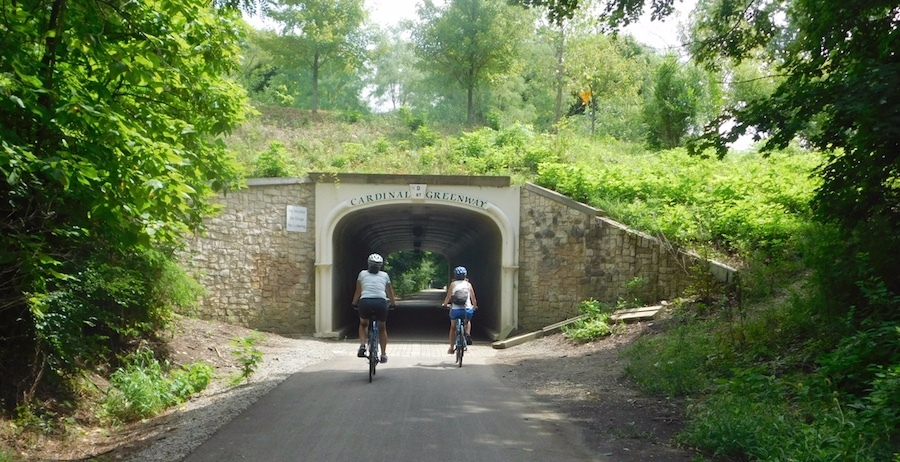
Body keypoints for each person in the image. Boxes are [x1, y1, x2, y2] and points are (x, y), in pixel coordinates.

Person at [352, 253, 397, 363]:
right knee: (382, 328)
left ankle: (362, 345)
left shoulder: (362, 274)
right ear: (380, 266)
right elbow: (389, 292)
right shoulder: (385, 276)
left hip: (365, 302)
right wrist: (393, 303)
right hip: (381, 303)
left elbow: (358, 291)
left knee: (363, 324)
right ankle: (383, 354)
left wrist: (354, 303)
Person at [442, 266, 477, 354]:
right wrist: (474, 306)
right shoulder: (468, 284)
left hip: (455, 310)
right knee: (467, 321)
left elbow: (448, 296)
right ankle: (467, 334)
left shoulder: (453, 284)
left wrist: (445, 304)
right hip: (467, 309)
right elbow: (473, 298)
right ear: (465, 275)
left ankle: (451, 348)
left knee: (453, 328)